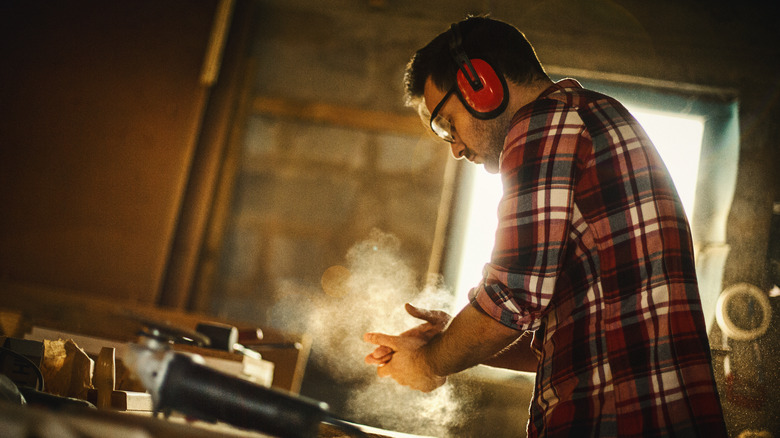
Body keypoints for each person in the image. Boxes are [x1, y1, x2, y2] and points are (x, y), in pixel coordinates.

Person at [363, 15, 727, 437]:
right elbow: (563, 349)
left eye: (448, 125)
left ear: (481, 86)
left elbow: (512, 299)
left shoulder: (544, 125)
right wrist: (450, 338)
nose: (456, 148)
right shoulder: (587, 116)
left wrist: (426, 364)